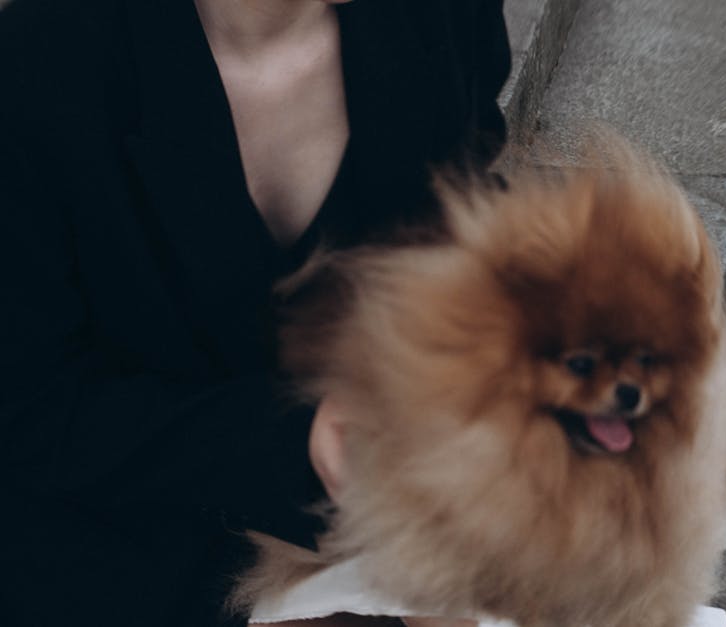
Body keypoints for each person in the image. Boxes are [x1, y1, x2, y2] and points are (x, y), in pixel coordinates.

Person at [0, 0, 510, 625]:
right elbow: (30, 409)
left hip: (382, 521)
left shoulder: (446, 15)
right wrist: (296, 448)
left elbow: (465, 196)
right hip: (123, 546)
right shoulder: (36, 64)